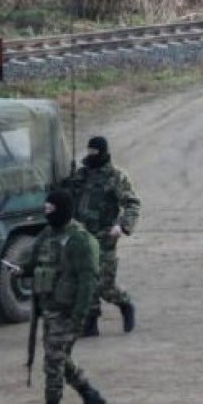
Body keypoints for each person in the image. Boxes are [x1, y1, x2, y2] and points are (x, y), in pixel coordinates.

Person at [19, 190, 107, 404]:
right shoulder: (47, 234)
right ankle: (91, 396)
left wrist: (80, 316)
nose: (47, 216)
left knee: (52, 361)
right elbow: (35, 261)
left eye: (51, 211)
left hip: (67, 312)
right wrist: (21, 270)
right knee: (59, 358)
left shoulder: (80, 240)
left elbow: (88, 281)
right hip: (49, 309)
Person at [66, 135, 142, 336]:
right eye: (89, 152)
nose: (91, 156)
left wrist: (122, 226)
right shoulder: (81, 175)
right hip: (82, 236)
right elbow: (68, 196)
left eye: (95, 153)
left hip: (105, 235)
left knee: (103, 284)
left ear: (104, 152)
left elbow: (132, 204)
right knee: (85, 278)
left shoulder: (116, 177)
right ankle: (90, 323)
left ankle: (125, 303)